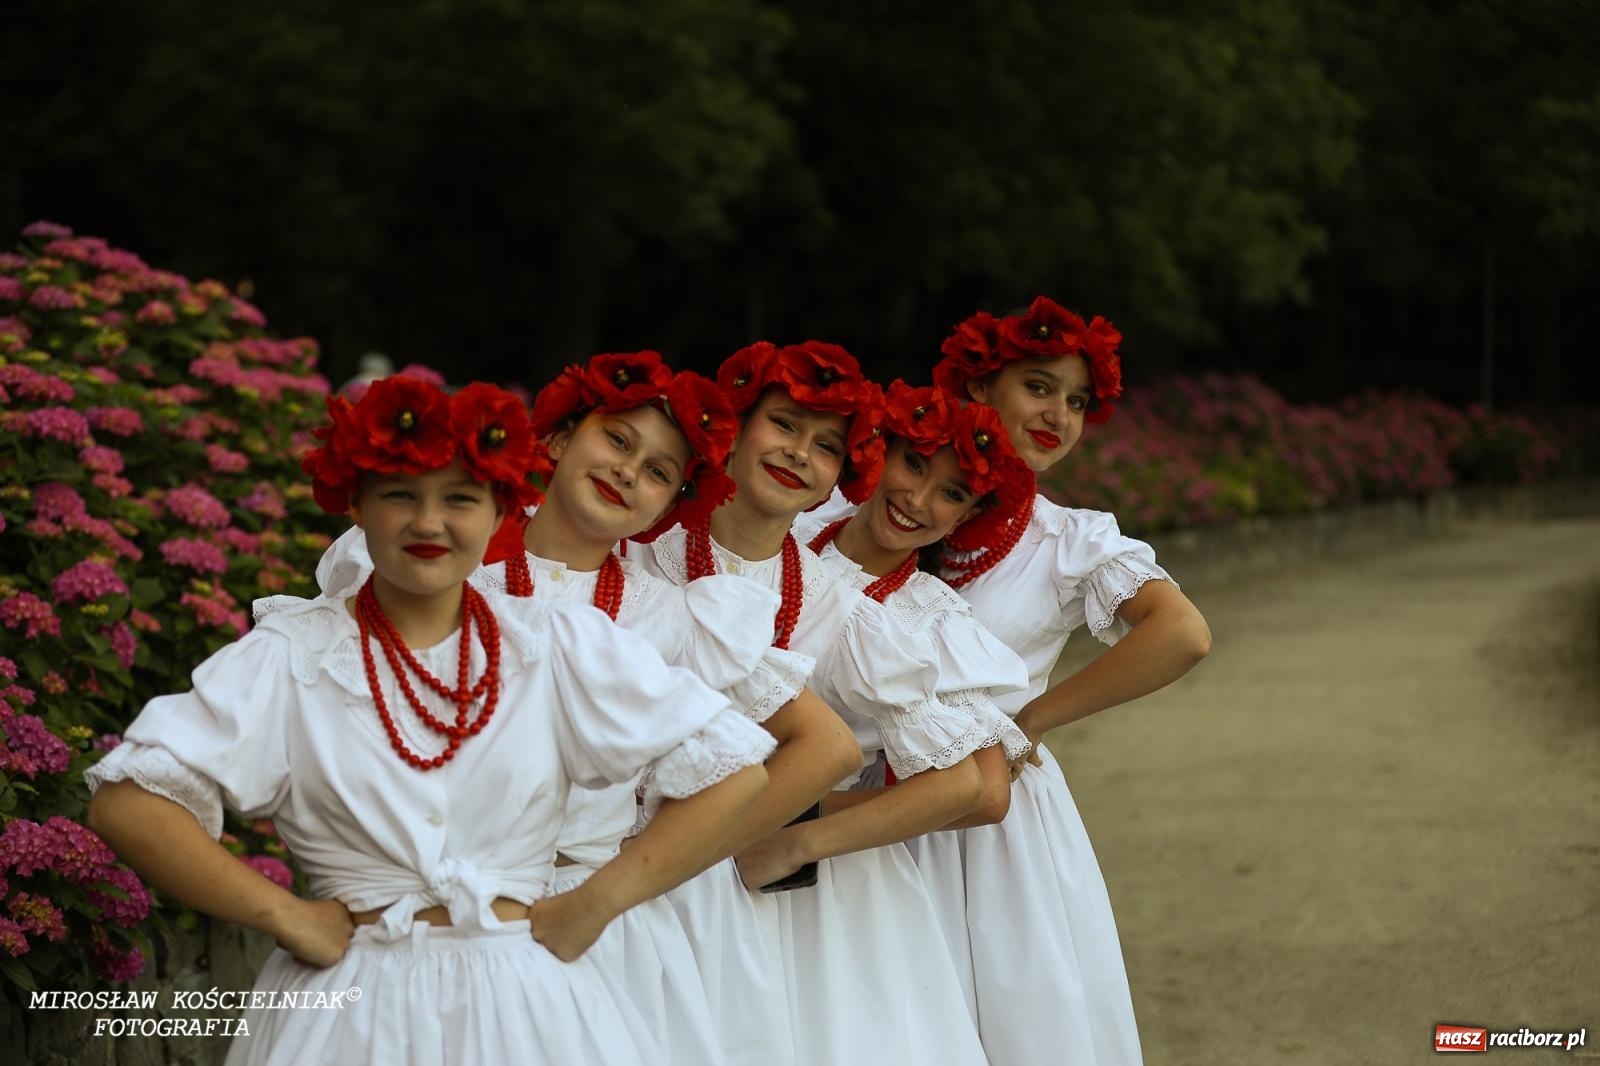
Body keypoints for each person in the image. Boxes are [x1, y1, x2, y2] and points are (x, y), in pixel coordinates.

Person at [85, 377, 774, 1065]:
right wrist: (284, 915)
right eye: (400, 495)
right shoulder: (292, 655)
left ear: (498, 508)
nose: (428, 522)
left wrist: (597, 902)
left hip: (527, 1006)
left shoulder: (558, 644)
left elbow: (734, 771)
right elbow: (130, 801)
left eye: (460, 499)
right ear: (356, 503)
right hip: (345, 1011)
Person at [316, 350, 857, 1066]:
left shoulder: (674, 619)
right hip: (414, 902)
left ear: (673, 503)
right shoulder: (446, 560)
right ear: (560, 438)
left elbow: (826, 747)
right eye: (617, 441)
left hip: (584, 919)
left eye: (660, 471)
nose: (630, 471)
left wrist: (643, 870)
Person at [636, 342, 993, 1065]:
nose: (800, 454)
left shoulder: (843, 611)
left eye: (825, 445)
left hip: (772, 900)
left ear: (844, 470)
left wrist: (794, 839)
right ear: (733, 428)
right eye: (784, 426)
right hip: (624, 867)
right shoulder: (642, 549)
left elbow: (965, 782)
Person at [876, 296, 1211, 1065]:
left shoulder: (1070, 539)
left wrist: (1031, 717)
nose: (1059, 412)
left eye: (1079, 401)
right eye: (1038, 385)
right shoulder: (890, 497)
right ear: (978, 388)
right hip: (860, 798)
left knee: (1005, 1020)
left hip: (990, 822)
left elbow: (1182, 633)